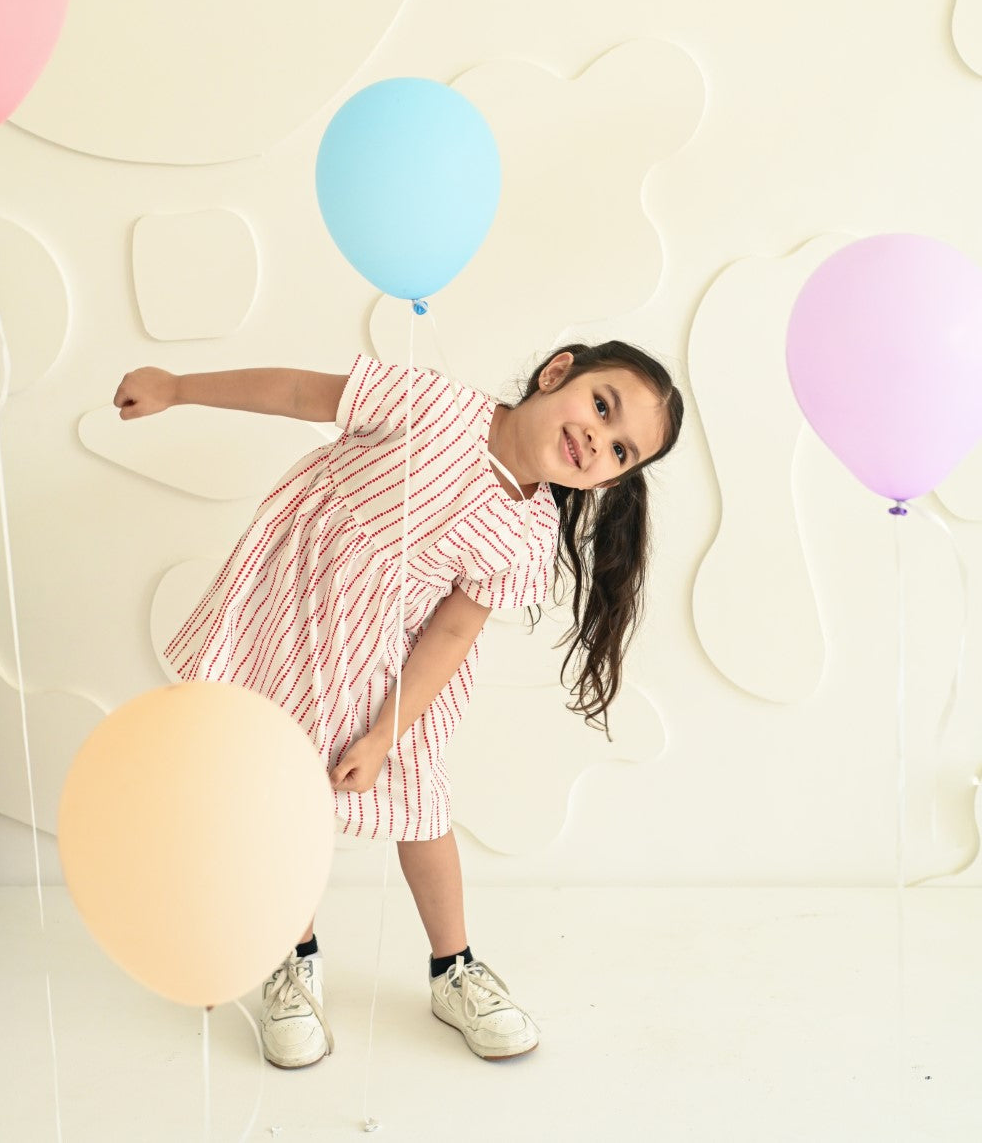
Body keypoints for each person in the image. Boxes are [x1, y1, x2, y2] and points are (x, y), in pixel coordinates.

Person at [113, 341, 683, 1067]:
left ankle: (455, 969)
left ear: (613, 479)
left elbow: (451, 630)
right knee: (275, 785)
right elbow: (296, 391)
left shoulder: (529, 535)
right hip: (293, 614)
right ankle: (293, 954)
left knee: (420, 807)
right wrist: (178, 387)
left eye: (620, 451)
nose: (596, 440)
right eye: (602, 407)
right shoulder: (430, 402)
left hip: (392, 669)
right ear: (558, 372)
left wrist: (388, 729)